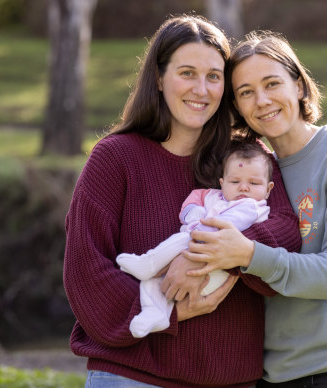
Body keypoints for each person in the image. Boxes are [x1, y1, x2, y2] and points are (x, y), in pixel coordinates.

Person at [63, 15, 301, 388]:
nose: (202, 90)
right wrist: (169, 306)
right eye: (187, 73)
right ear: (158, 78)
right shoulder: (115, 158)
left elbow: (286, 232)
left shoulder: (245, 158)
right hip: (132, 377)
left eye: (214, 76)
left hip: (231, 380)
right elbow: (86, 272)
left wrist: (215, 254)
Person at [184, 30, 327, 388]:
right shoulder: (250, 173)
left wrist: (249, 254)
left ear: (298, 85)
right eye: (246, 92)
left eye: (272, 84)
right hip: (272, 375)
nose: (262, 101)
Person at [116, 140, 275, 338]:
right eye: (235, 182)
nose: (244, 188)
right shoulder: (216, 197)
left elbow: (224, 227)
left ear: (268, 189)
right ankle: (154, 313)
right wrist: (194, 212)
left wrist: (197, 229)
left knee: (180, 241)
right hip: (194, 257)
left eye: (254, 183)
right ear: (222, 183)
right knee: (153, 283)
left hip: (213, 270)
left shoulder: (254, 208)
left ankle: (149, 263)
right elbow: (193, 200)